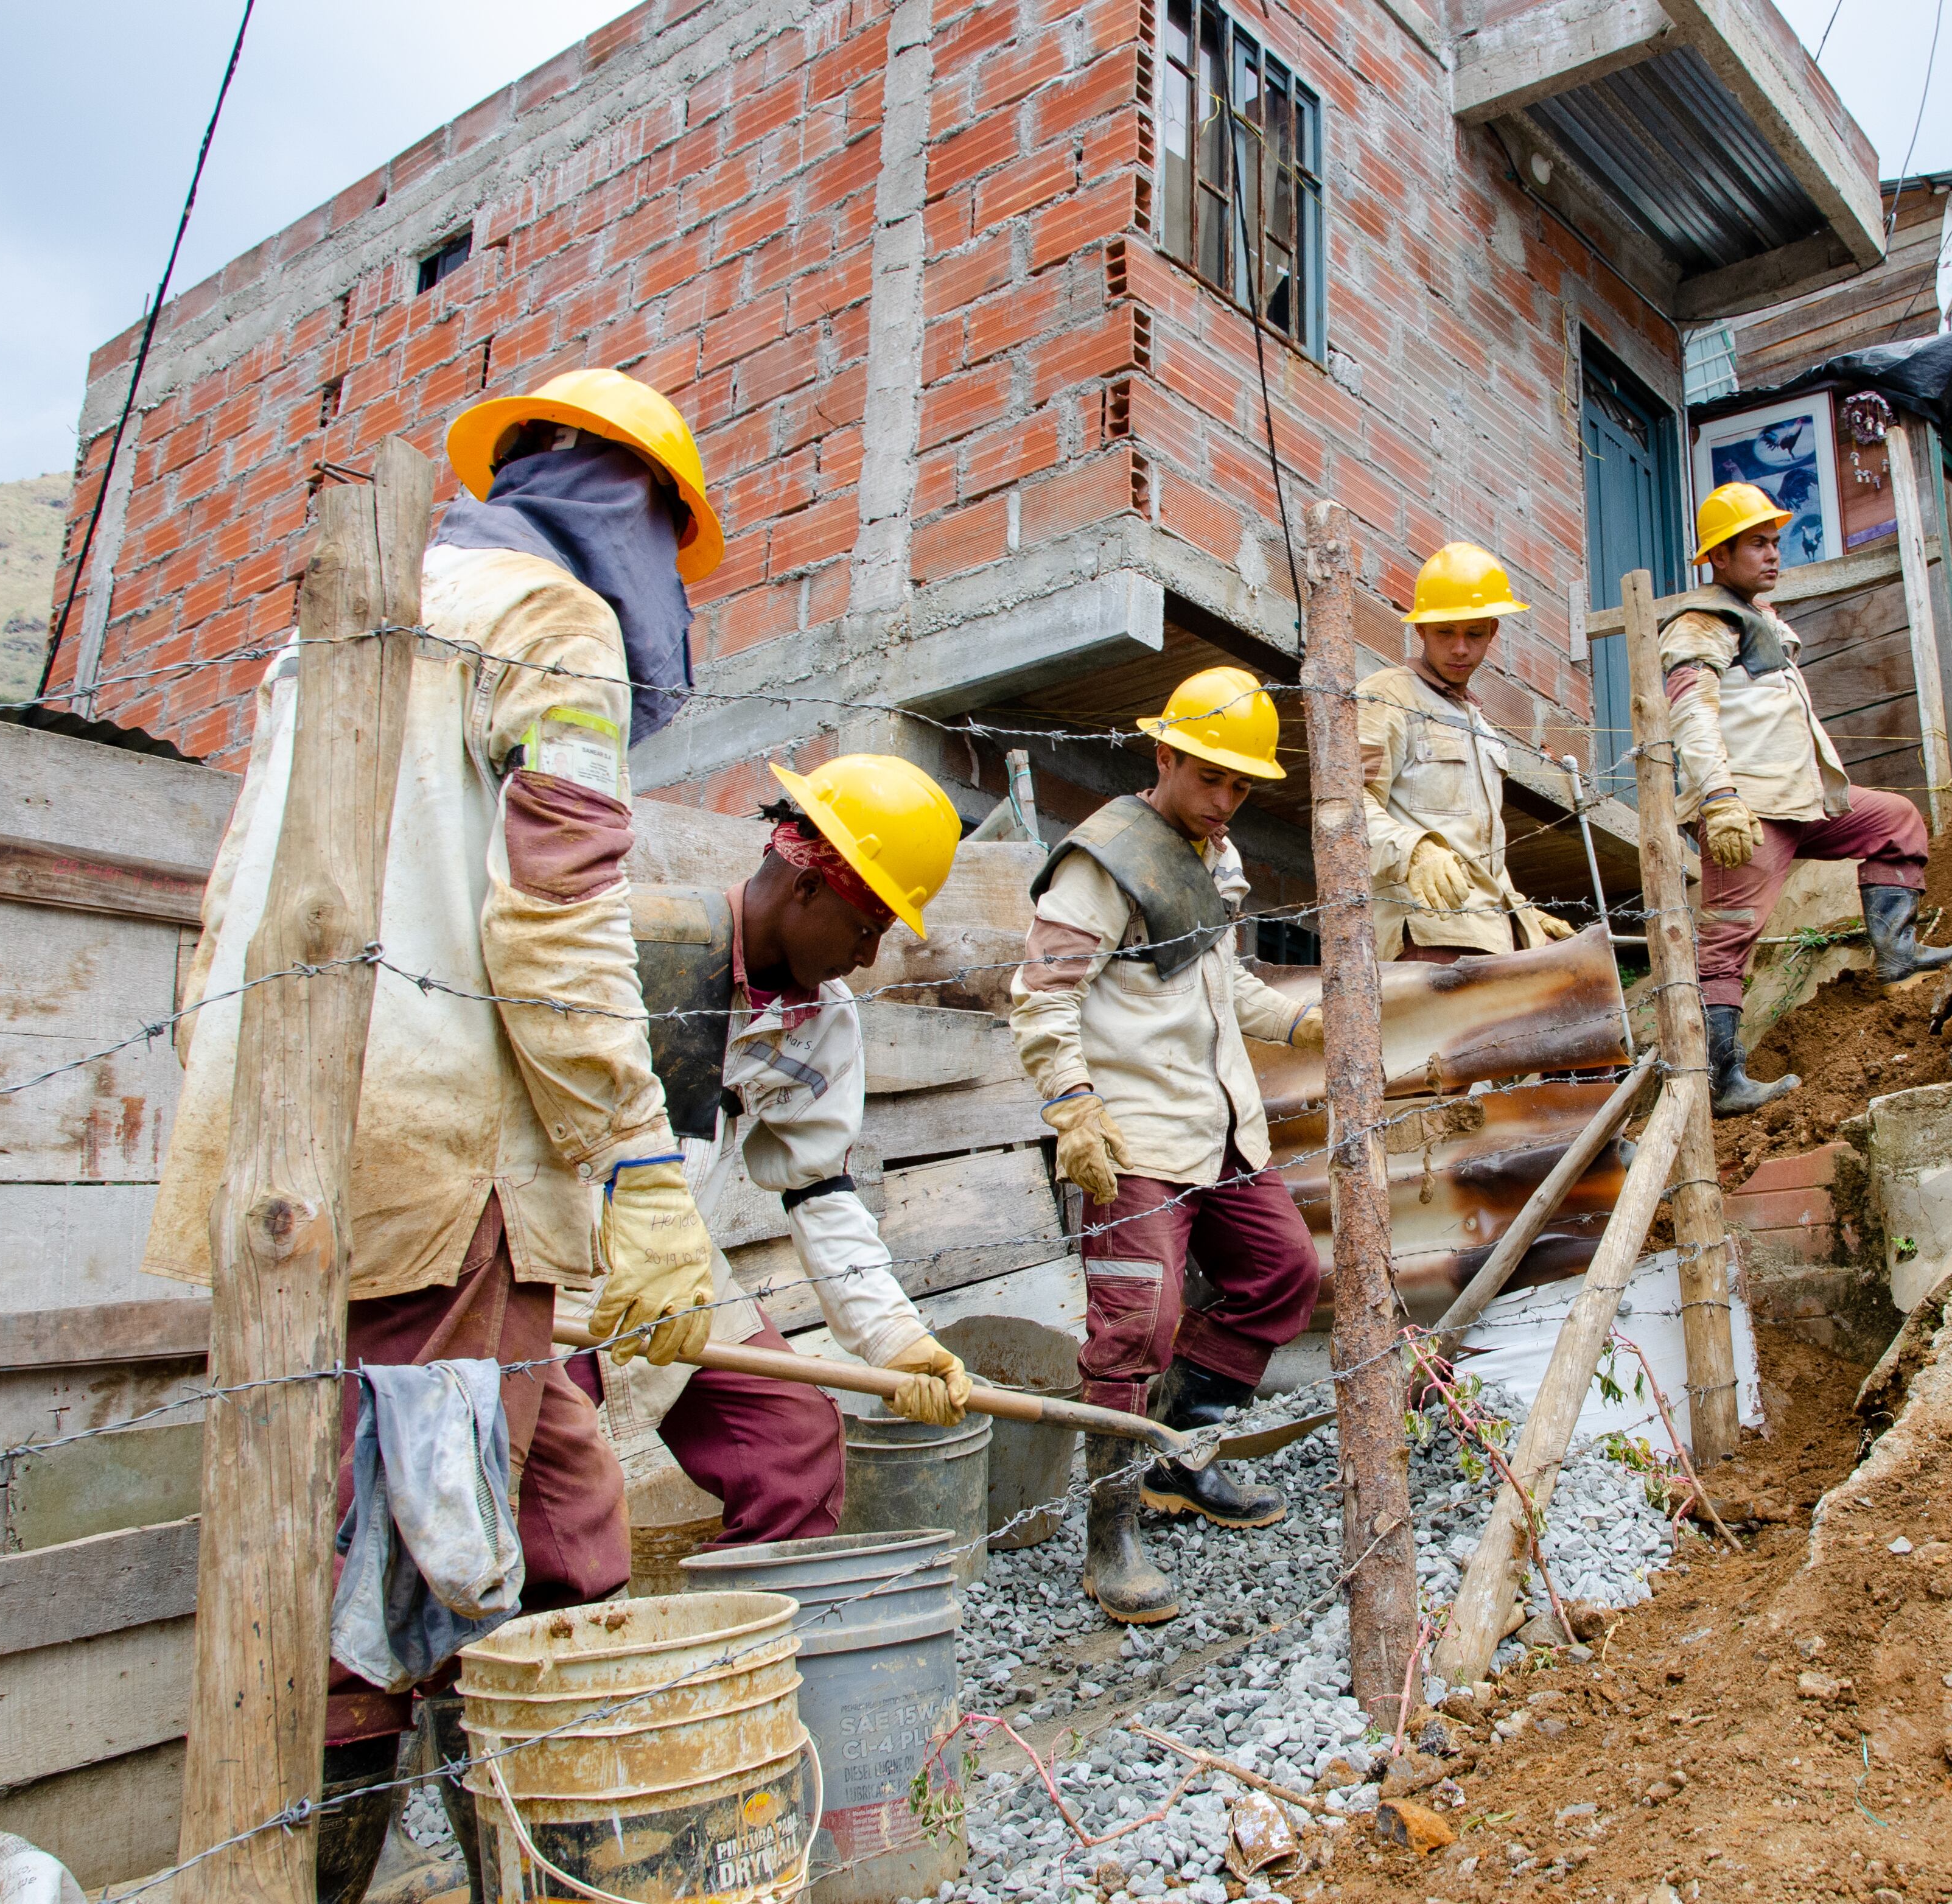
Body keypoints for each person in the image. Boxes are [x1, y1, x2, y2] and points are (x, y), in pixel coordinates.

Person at [148, 368, 725, 1899]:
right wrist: (639, 1158)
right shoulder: (555, 621)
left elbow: (227, 902)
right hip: (445, 1153)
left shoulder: (333, 627)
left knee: (549, 1517)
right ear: (641, 511)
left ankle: (547, 1859)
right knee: (410, 1567)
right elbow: (557, 914)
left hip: (292, 1142)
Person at [560, 754, 981, 1564]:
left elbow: (818, 1187)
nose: (868, 958)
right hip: (554, 1259)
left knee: (792, 1440)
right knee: (549, 1493)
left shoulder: (822, 1021)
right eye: (867, 929)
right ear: (807, 885)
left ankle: (744, 1634)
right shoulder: (638, 946)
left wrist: (894, 1338)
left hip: (680, 1263)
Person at [1008, 667, 1329, 1625]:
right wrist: (1072, 1106)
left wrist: (1301, 1022)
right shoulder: (1102, 863)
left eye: (1240, 784)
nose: (1224, 799)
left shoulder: (1214, 857)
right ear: (1164, 756)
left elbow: (1220, 986)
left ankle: (1179, 1457)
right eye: (1208, 777)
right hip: (1135, 1134)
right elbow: (1042, 996)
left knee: (1283, 1273)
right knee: (1133, 1330)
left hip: (1218, 1123)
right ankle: (1108, 1535)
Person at [1664, 482, 1952, 1119]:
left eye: (1775, 541)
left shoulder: (1760, 618)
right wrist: (1720, 798)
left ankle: (1897, 955)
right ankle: (1720, 1081)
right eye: (1756, 544)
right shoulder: (1700, 624)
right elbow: (1691, 716)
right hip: (1748, 810)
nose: (1773, 554)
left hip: (1802, 799)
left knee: (1896, 820)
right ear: (1719, 556)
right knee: (1728, 939)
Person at [1360, 542, 1582, 960]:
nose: (1460, 648)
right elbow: (1348, 806)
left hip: (1491, 936)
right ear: (1421, 630)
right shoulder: (1388, 697)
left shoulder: (1479, 725)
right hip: (1427, 932)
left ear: (1493, 631)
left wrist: (1522, 912)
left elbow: (1479, 848)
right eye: (1445, 632)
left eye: (1474, 634)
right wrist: (1416, 850)